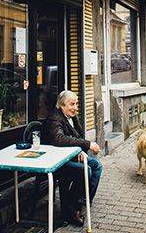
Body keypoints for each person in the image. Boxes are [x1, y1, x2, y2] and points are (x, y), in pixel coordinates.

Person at [44, 90, 102, 226]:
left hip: (68, 156)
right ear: (61, 105)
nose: (76, 107)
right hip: (55, 161)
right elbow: (59, 139)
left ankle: (78, 204)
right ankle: (71, 210)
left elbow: (78, 136)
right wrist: (87, 145)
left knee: (96, 166)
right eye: (72, 104)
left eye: (76, 103)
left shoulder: (71, 116)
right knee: (85, 170)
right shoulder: (54, 118)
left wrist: (80, 151)